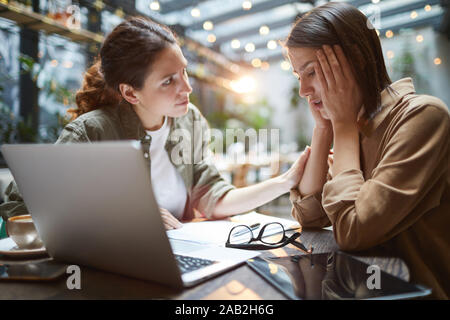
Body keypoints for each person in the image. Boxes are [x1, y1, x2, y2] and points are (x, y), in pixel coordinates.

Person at [0, 17, 310, 231]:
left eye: (184, 72)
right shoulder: (92, 131)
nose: (186, 88)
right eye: (168, 81)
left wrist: (283, 182)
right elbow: (18, 207)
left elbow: (214, 196)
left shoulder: (190, 122)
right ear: (130, 92)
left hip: (178, 257)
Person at [285, 2, 449, 299]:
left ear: (357, 59)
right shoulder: (357, 125)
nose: (303, 91)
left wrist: (343, 126)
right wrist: (324, 130)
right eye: (299, 77)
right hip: (357, 287)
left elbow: (353, 232)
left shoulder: (423, 116)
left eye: (311, 72)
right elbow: (309, 216)